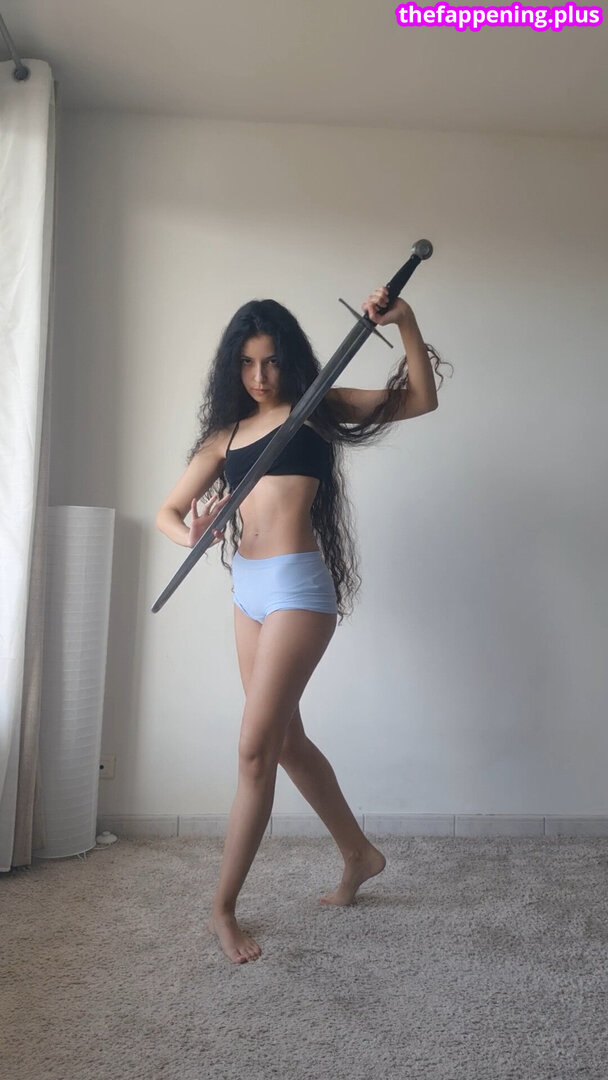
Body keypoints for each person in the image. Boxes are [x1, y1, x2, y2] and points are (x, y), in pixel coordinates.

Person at [156, 286, 449, 964]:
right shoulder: (226, 436)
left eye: (271, 361)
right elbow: (168, 512)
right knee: (285, 741)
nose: (260, 377)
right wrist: (190, 534)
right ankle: (359, 854)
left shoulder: (319, 407)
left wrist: (406, 321)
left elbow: (419, 399)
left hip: (296, 588)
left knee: (253, 749)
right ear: (233, 366)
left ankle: (222, 909)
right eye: (247, 363)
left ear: (289, 359)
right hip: (248, 592)